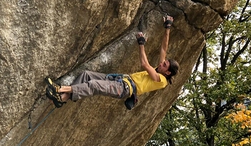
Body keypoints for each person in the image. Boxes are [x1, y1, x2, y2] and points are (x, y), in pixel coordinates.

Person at [45, 15, 179, 109]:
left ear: (167, 72)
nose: (161, 63)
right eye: (163, 62)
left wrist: (141, 44)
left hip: (124, 89)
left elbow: (145, 64)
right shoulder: (161, 70)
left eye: (164, 65)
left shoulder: (161, 80)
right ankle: (61, 99)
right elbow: (164, 48)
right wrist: (167, 27)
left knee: (94, 85)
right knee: (86, 75)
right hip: (120, 80)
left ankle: (60, 89)